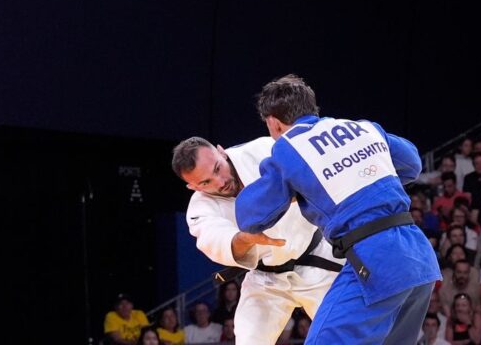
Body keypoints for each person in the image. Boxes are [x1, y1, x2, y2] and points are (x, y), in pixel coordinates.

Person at [236, 75, 440, 344]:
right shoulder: (363, 128)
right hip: (418, 256)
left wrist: (298, 191)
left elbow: (250, 217)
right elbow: (412, 164)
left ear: (273, 122)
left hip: (375, 260)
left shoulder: (288, 148)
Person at [173, 135, 343, 344]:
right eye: (205, 182)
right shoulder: (200, 209)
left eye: (217, 168)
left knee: (345, 335)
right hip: (266, 280)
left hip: (316, 259)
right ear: (193, 187)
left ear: (221, 150)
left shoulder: (263, 149)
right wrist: (245, 239)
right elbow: (215, 238)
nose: (220, 182)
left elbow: (312, 173)